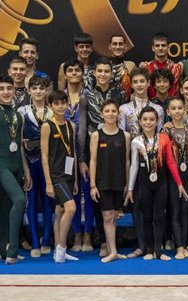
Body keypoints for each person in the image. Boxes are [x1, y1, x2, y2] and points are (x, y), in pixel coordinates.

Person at [0, 75, 32, 264]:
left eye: (9, 88)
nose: (6, 92)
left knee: (6, 206)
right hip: (1, 165)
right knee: (19, 200)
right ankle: (12, 250)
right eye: (1, 89)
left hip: (16, 165)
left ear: (14, 91)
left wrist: (26, 170)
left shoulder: (19, 116)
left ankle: (2, 249)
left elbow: (19, 146)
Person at [128, 106, 186, 260]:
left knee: (159, 216)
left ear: (157, 121)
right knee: (147, 217)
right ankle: (149, 250)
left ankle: (158, 252)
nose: (148, 122)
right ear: (140, 121)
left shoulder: (164, 138)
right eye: (145, 119)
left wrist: (179, 183)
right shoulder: (136, 141)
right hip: (144, 184)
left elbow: (170, 162)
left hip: (161, 183)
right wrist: (130, 189)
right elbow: (134, 165)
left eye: (152, 119)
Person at [89, 100, 130, 263]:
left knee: (113, 216)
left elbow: (127, 161)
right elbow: (93, 161)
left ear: (118, 114)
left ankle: (113, 249)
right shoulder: (96, 135)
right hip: (103, 182)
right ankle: (112, 250)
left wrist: (127, 183)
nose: (111, 114)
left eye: (114, 111)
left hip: (119, 181)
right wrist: (93, 185)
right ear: (101, 114)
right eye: (107, 111)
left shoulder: (125, 136)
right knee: (107, 216)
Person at [18, 75, 54, 258]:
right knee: (31, 202)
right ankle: (34, 241)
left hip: (50, 163)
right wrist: (25, 169)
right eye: (35, 88)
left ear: (46, 90)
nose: (38, 91)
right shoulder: (22, 111)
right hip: (30, 162)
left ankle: (46, 240)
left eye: (41, 88)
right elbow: (19, 143)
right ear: (29, 90)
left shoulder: (53, 112)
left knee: (48, 201)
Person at [42, 90, 80, 264]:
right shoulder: (47, 126)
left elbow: (73, 153)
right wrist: (48, 182)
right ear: (50, 106)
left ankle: (58, 250)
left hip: (69, 173)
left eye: (63, 103)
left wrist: (76, 179)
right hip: (56, 174)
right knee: (71, 208)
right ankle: (62, 248)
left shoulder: (71, 125)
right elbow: (44, 155)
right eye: (56, 104)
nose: (60, 106)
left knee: (60, 211)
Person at [61, 59, 95, 253]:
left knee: (87, 193)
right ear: (65, 74)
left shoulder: (89, 96)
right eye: (70, 70)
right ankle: (76, 234)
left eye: (77, 70)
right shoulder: (59, 97)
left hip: (87, 151)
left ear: (83, 74)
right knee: (72, 194)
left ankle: (88, 234)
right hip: (66, 155)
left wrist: (83, 159)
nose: (74, 73)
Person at [162, 96, 188, 258]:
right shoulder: (165, 131)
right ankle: (178, 246)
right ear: (168, 111)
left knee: (186, 210)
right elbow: (164, 156)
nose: (177, 111)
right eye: (173, 108)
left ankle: (183, 245)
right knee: (175, 210)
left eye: (180, 108)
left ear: (185, 110)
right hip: (172, 176)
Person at [119, 68, 163, 138]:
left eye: (142, 81)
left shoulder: (158, 109)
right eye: (135, 82)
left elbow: (160, 136)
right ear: (132, 85)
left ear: (148, 83)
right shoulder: (123, 109)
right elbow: (121, 136)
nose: (139, 85)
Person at [85, 57, 125, 129]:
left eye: (106, 71)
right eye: (100, 71)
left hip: (114, 134)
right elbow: (83, 124)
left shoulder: (119, 94)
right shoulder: (87, 96)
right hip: (92, 135)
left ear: (111, 74)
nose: (103, 74)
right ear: (94, 73)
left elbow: (122, 121)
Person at [140, 32, 183, 98]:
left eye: (163, 45)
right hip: (151, 103)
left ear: (168, 47)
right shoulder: (145, 67)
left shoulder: (177, 67)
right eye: (157, 45)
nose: (160, 48)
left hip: (173, 103)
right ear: (153, 48)